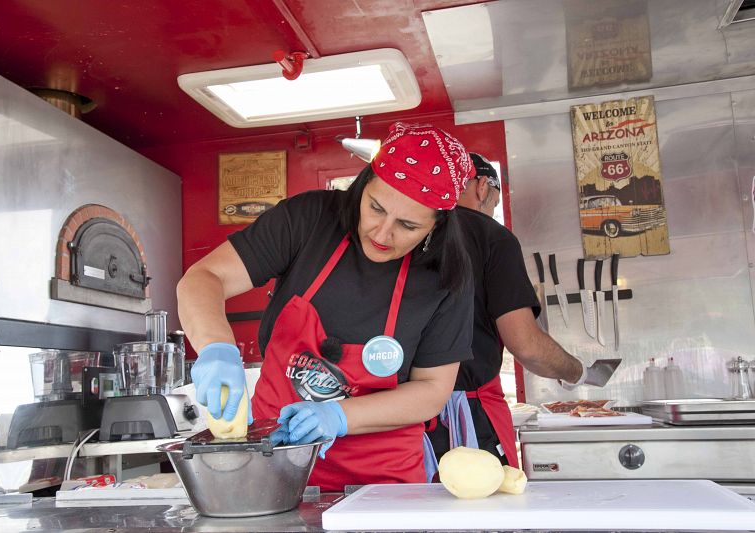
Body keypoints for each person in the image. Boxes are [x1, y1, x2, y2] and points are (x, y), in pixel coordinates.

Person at [177, 122, 477, 492]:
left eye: (407, 225)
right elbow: (204, 277)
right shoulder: (309, 220)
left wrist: (338, 416)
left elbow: (432, 390)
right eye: (376, 208)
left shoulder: (446, 277)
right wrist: (215, 348)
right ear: (362, 185)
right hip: (276, 464)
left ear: (436, 225)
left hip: (383, 483)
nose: (382, 233)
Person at [425, 152, 601, 468]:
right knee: (482, 498)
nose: (492, 210)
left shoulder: (413, 232)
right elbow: (526, 345)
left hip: (404, 417)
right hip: (467, 419)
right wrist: (577, 372)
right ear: (482, 186)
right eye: (495, 202)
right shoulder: (492, 236)